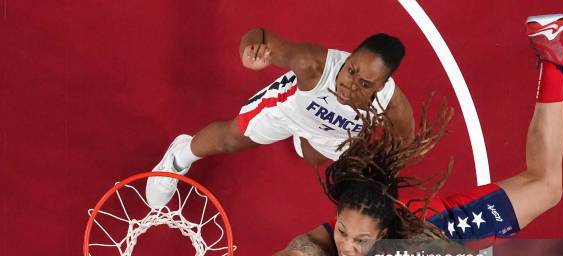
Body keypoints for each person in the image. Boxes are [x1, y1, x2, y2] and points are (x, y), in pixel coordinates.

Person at [269, 11, 563, 256]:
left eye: (360, 239)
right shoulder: (323, 249)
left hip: (455, 225)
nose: (345, 245)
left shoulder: (421, 245)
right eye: (342, 230)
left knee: (547, 185)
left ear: (388, 236)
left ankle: (554, 55)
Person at [146, 30, 415, 208]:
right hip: (290, 108)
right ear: (348, 57)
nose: (349, 84)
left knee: (313, 158)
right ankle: (178, 156)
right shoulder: (313, 64)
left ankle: (303, 140)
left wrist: (381, 166)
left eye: (364, 83)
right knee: (231, 138)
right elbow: (260, 34)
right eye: (351, 70)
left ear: (380, 87)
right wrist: (248, 52)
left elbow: (405, 141)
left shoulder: (393, 107)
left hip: (335, 132)